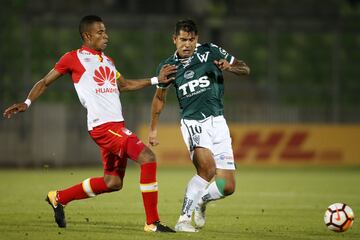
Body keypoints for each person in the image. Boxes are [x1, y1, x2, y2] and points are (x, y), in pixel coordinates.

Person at [3, 15, 177, 233]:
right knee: (148, 157)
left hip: (114, 126)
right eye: (100, 32)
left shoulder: (108, 61)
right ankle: (152, 222)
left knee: (113, 182)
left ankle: (58, 197)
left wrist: (155, 80)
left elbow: (124, 85)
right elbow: (45, 81)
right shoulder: (72, 58)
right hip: (103, 127)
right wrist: (27, 103)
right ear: (87, 35)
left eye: (105, 31)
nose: (106, 36)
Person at [149, 19, 250, 232]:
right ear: (174, 39)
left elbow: (245, 68)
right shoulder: (168, 67)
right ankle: (183, 220)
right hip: (193, 122)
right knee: (207, 169)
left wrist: (230, 67)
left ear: (197, 39)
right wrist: (153, 128)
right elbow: (159, 98)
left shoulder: (210, 51)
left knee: (228, 186)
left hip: (218, 122)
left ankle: (202, 201)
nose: (187, 44)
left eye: (192, 40)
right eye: (183, 40)